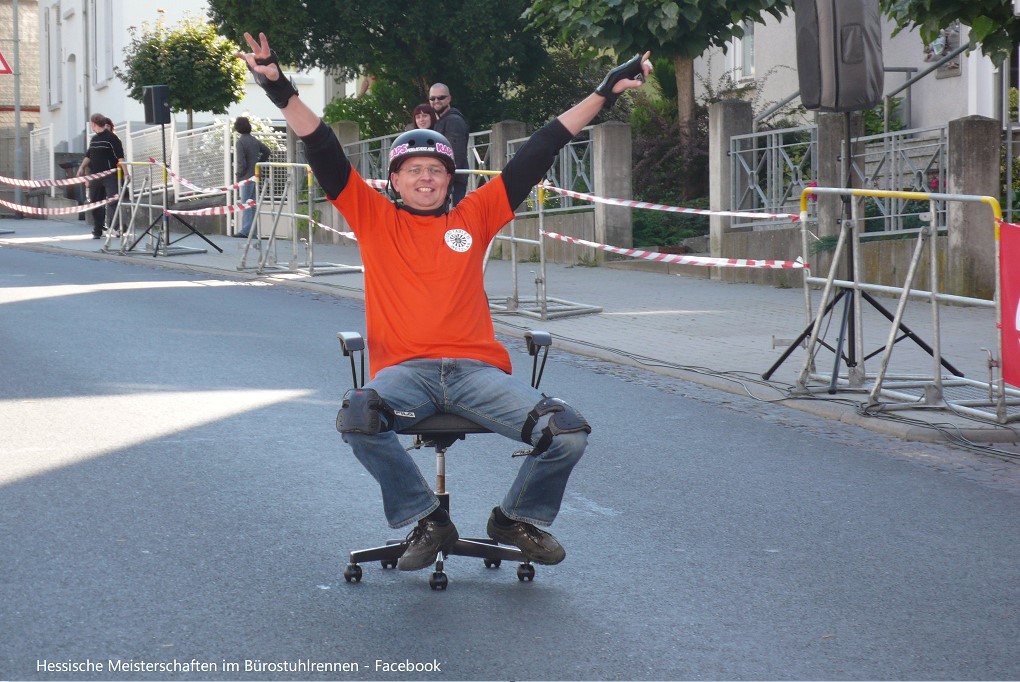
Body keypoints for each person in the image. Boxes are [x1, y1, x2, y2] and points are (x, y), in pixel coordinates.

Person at [238, 32, 650, 572]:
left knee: (567, 431)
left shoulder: (474, 216)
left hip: (476, 372)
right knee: (358, 416)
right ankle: (428, 518)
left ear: (450, 179)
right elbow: (322, 146)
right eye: (414, 169)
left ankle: (513, 519)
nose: (426, 177)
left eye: (436, 169)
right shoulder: (373, 217)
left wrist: (604, 92)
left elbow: (541, 148)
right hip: (405, 373)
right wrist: (278, 86)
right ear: (394, 180)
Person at [76, 114, 124, 239]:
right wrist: (81, 167)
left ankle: (116, 228)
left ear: (93, 124)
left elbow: (120, 157)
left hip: (110, 175)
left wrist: (126, 173)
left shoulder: (112, 138)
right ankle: (98, 229)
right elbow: (89, 155)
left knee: (113, 201)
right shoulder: (94, 139)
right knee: (96, 203)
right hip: (96, 176)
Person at [428, 83, 470, 206]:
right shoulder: (440, 121)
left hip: (452, 181)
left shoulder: (454, 121)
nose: (436, 101)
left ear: (449, 98)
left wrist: (445, 177)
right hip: (445, 179)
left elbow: (455, 155)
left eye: (441, 98)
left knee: (450, 215)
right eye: (432, 98)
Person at [233, 116, 272, 238]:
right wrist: (259, 163)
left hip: (246, 177)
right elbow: (267, 151)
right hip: (255, 175)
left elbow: (241, 162)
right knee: (252, 204)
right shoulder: (254, 140)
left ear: (238, 128)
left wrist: (239, 175)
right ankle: (253, 232)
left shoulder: (240, 142)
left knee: (245, 203)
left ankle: (245, 231)